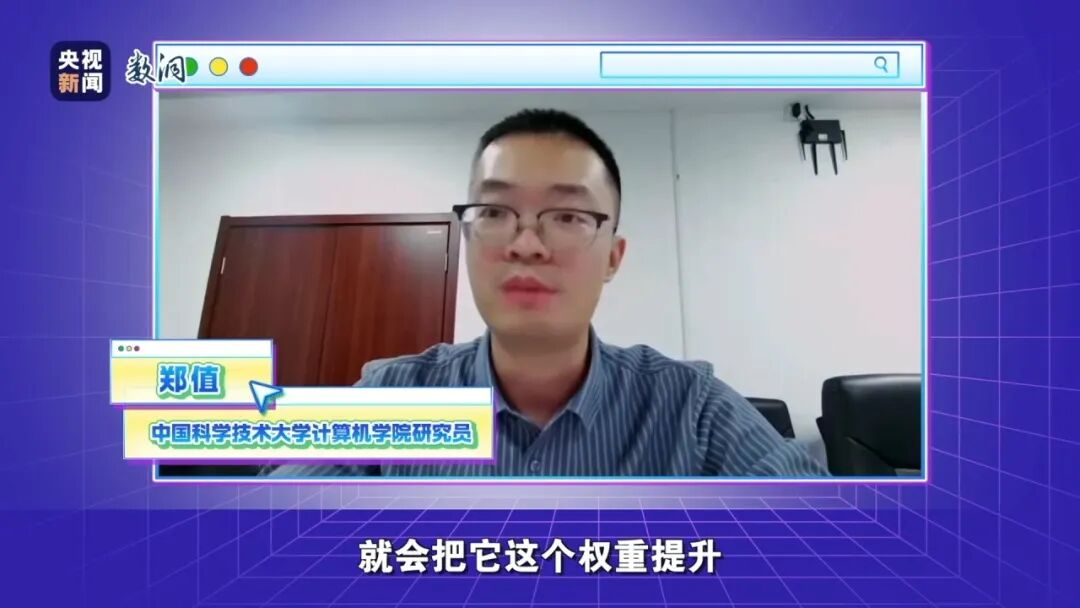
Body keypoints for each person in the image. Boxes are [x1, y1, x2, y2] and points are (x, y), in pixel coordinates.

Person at [270, 109, 826, 478]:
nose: (527, 245)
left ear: (613, 257)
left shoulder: (690, 408)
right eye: (494, 212)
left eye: (567, 216)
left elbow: (832, 547)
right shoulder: (392, 397)